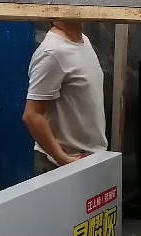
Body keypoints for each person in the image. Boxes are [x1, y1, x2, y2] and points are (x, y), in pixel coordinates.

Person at [22, 19, 107, 174]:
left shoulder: (83, 41)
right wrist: (63, 159)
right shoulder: (52, 52)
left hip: (91, 158)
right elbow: (32, 115)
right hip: (61, 165)